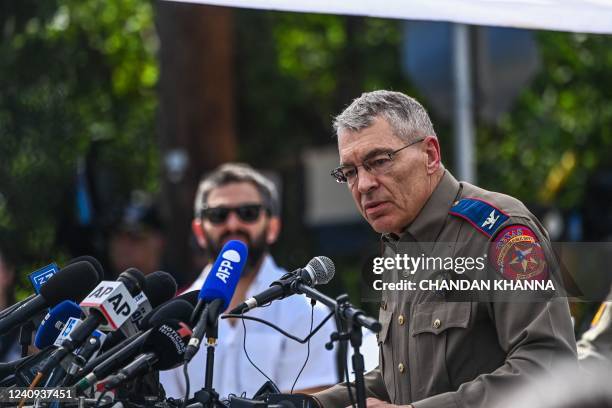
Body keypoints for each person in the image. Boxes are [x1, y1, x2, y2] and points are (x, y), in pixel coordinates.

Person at [313, 90, 577, 408]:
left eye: (379, 161)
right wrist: (312, 405)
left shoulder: (501, 232)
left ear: (430, 155)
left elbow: (548, 369)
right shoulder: (398, 243)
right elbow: (401, 378)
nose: (364, 184)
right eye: (350, 172)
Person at [160, 163, 338, 399]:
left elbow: (310, 400)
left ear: (273, 227)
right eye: (218, 215)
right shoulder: (177, 313)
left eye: (248, 213)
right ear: (200, 231)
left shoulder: (307, 310)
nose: (233, 224)